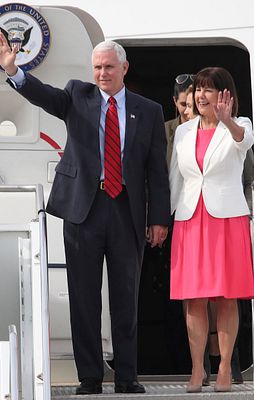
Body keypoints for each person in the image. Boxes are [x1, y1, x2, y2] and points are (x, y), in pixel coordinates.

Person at [0, 35, 170, 395]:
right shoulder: (78, 95)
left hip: (126, 210)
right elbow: (44, 95)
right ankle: (90, 376)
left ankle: (127, 376)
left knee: (126, 297)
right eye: (97, 67)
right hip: (83, 210)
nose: (102, 73)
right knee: (83, 296)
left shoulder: (149, 110)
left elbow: (157, 169)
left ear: (124, 68)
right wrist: (13, 71)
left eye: (108, 67)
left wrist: (158, 218)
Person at [169, 67, 254, 393]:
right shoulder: (183, 131)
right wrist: (162, 219)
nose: (201, 96)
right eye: (198, 90)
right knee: (193, 299)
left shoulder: (239, 124)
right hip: (190, 220)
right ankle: (196, 369)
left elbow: (243, 141)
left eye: (208, 89)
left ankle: (224, 368)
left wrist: (227, 120)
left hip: (226, 220)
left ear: (224, 95)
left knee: (226, 297)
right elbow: (176, 177)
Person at [165, 74, 195, 166]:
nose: (188, 110)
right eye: (184, 104)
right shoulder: (164, 130)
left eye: (192, 105)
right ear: (175, 101)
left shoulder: (211, 128)